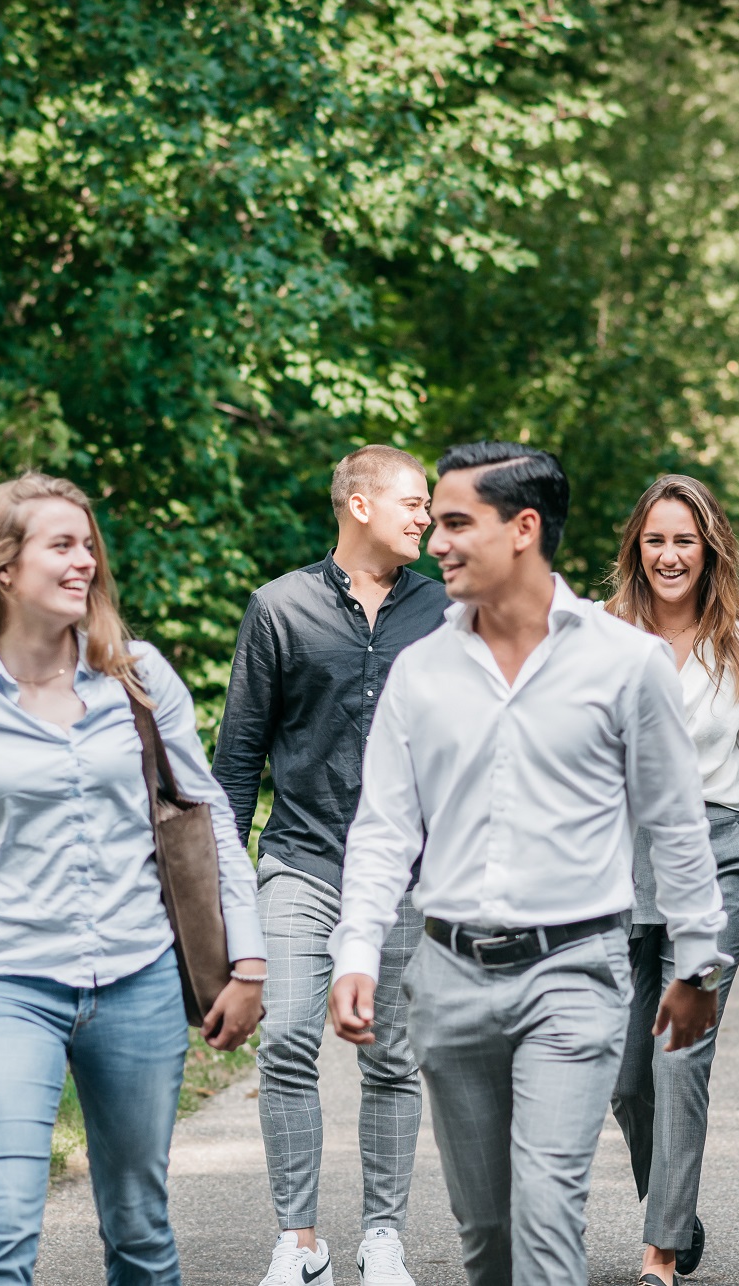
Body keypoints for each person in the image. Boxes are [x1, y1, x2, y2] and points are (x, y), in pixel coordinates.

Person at [0, 472, 267, 1286]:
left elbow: (210, 823)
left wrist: (249, 963)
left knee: (137, 1226)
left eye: (88, 544)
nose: (85, 561)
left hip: (137, 982)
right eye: (62, 545)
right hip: (7, 984)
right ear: (3, 566)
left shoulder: (138, 677)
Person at [324, 442, 731, 1286]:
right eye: (434, 521)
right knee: (489, 1238)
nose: (435, 541)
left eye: (456, 523)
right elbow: (385, 828)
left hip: (574, 973)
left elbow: (677, 823)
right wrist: (356, 950)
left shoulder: (625, 664)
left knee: (548, 1219)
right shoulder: (420, 671)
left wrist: (698, 961)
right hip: (447, 979)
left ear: (524, 529)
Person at [211, 446, 447, 1286]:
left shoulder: (448, 610)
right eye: (414, 503)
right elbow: (237, 761)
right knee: (286, 1042)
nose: (427, 517)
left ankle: (382, 1237)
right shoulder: (279, 608)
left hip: (410, 878)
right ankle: (298, 1242)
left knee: (391, 1058)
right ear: (358, 505)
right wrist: (221, 901)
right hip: (301, 861)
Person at [602, 474, 739, 1285]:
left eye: (684, 539)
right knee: (625, 1080)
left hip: (714, 856)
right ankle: (676, 1215)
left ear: (709, 546)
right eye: (656, 539)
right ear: (636, 549)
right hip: (617, 864)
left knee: (680, 1059)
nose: (670, 554)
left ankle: (659, 1259)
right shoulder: (600, 633)